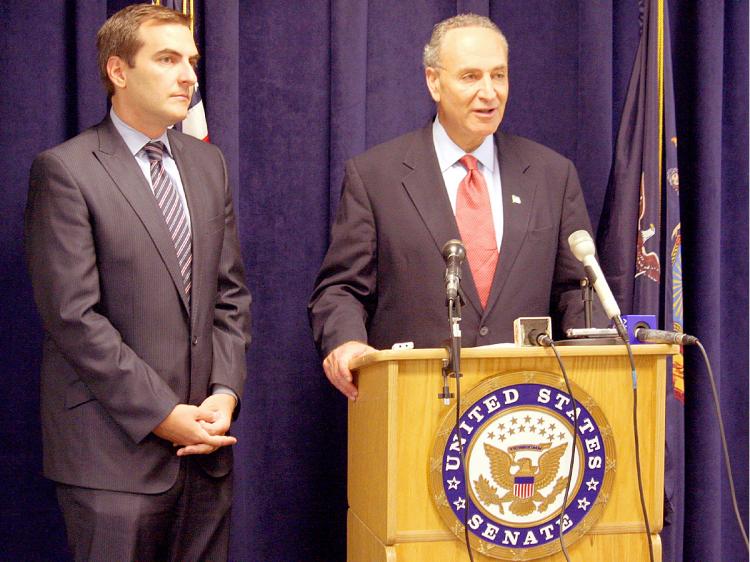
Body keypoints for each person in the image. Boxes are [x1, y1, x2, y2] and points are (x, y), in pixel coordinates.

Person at [24, 4, 251, 560]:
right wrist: (162, 415)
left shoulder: (208, 165)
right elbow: (73, 318)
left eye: (191, 61)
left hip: (205, 452)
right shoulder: (66, 171)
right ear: (118, 71)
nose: (189, 77)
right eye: (168, 59)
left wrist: (225, 392)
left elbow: (229, 295)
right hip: (111, 460)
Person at [309, 13, 602, 400]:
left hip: (526, 406)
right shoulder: (376, 176)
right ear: (434, 81)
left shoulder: (552, 175)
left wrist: (597, 365)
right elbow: (341, 289)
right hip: (413, 404)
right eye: (471, 77)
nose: (489, 92)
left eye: (498, 75)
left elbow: (577, 291)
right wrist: (345, 343)